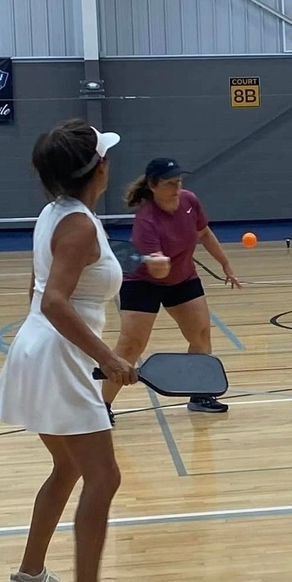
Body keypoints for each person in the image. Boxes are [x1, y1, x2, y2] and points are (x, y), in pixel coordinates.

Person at [0, 120, 153, 582]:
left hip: (42, 349)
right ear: (98, 169)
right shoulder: (78, 224)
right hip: (59, 353)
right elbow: (56, 299)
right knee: (104, 477)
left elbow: (38, 292)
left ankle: (31, 577)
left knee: (67, 468)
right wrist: (110, 358)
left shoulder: (56, 214)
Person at [103, 157, 242, 420]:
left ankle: (199, 394)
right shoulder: (147, 220)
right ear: (153, 185)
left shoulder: (190, 201)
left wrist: (225, 264)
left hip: (183, 278)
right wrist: (158, 264)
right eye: (170, 183)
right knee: (131, 346)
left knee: (200, 334)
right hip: (143, 284)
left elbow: (204, 233)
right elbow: (158, 271)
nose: (177, 188)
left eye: (179, 182)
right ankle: (102, 406)